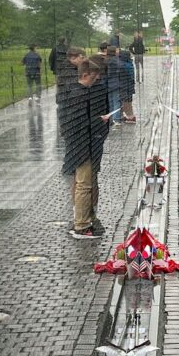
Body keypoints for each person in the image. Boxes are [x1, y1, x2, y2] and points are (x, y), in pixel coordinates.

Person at [61, 60, 111, 238]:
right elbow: (78, 123)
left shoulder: (75, 92)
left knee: (85, 182)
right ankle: (81, 225)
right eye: (93, 77)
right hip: (82, 145)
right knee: (83, 184)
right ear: (84, 75)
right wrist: (100, 120)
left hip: (82, 144)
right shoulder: (78, 95)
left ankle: (85, 220)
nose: (95, 80)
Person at [105, 46, 123, 123]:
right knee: (116, 101)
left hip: (107, 83)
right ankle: (116, 118)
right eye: (116, 50)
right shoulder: (115, 60)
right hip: (115, 83)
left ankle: (111, 118)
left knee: (110, 101)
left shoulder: (106, 60)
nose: (117, 51)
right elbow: (121, 67)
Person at [118, 47, 137, 122]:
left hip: (124, 86)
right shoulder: (130, 63)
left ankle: (130, 117)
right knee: (128, 101)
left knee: (126, 101)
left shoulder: (123, 65)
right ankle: (130, 115)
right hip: (130, 85)